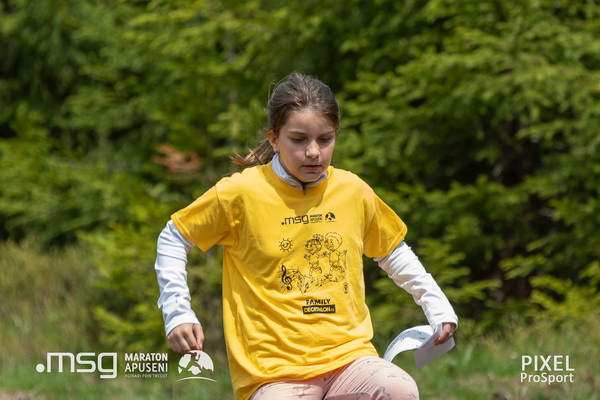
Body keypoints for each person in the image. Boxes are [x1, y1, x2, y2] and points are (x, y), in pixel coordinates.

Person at [154, 72, 458, 400]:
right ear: (274, 139)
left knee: (398, 390)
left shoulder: (352, 190)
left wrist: (436, 306)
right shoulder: (240, 193)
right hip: (273, 373)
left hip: (349, 358)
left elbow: (392, 250)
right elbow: (174, 238)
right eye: (298, 140)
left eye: (325, 140)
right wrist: (177, 312)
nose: (313, 152)